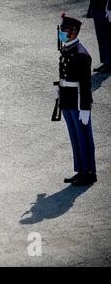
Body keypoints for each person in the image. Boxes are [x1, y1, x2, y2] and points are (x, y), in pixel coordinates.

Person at [57, 14, 96, 186]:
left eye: (64, 30)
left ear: (74, 32)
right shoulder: (67, 48)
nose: (62, 33)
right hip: (67, 99)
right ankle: (80, 169)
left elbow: (86, 84)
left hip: (78, 102)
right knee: (75, 136)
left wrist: (86, 107)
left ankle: (89, 172)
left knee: (83, 137)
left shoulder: (81, 54)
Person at [89, 0, 110, 73]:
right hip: (97, 0)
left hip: (105, 1)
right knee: (100, 34)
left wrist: (110, 8)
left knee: (107, 34)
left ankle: (109, 63)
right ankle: (105, 61)